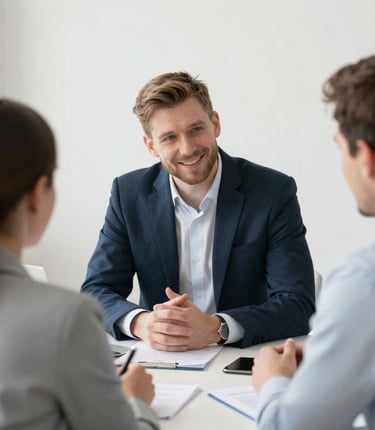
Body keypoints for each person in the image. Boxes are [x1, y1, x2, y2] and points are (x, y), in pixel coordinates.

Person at [81, 71, 315, 351]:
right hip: (161, 362)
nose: (188, 148)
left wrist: (217, 328)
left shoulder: (272, 192)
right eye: (169, 137)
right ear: (150, 146)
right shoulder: (128, 194)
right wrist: (142, 323)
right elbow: (96, 291)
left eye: (196, 129)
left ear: (215, 124)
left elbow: (298, 304)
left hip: (243, 357)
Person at [0, 99, 159, 430]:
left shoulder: (272, 189)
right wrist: (136, 403)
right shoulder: (65, 317)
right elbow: (98, 286)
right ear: (37, 193)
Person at [252, 55, 375, 430]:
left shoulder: (364, 279)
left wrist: (272, 383)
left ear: (367, 158)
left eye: (340, 148)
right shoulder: (129, 193)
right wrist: (337, 356)